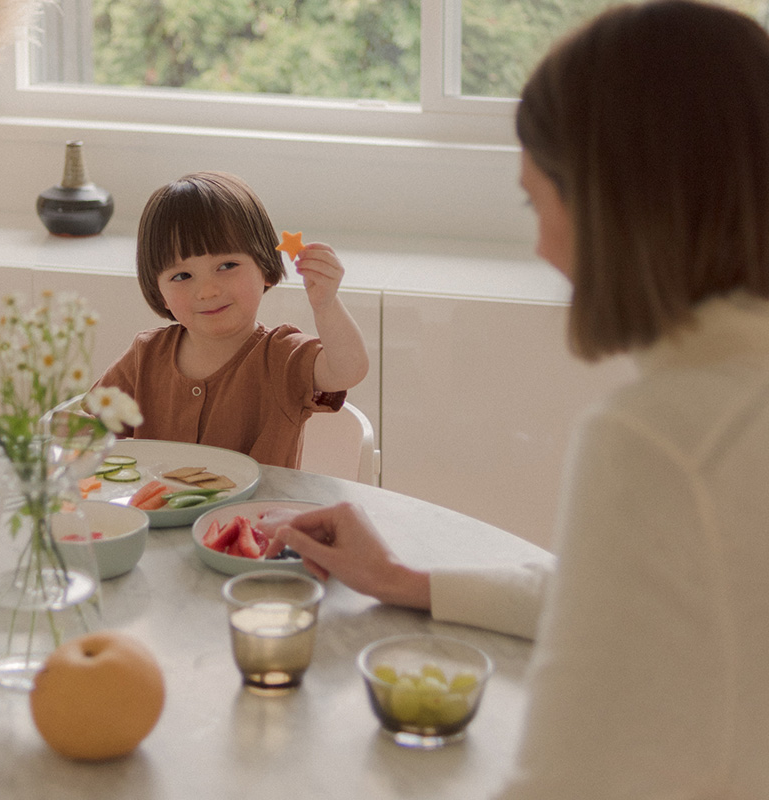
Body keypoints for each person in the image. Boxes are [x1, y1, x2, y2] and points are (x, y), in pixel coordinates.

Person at [264, 1, 769, 796]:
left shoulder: (662, 437)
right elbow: (619, 601)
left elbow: (566, 775)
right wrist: (407, 579)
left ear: (617, 205)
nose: (540, 245)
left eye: (540, 203)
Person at [88, 171, 369, 468]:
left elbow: (348, 370)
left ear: (265, 267)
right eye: (182, 276)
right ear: (159, 292)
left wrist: (326, 305)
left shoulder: (282, 356)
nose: (208, 291)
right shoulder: (145, 355)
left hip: (256, 515)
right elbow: (88, 429)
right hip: (155, 513)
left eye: (226, 265)